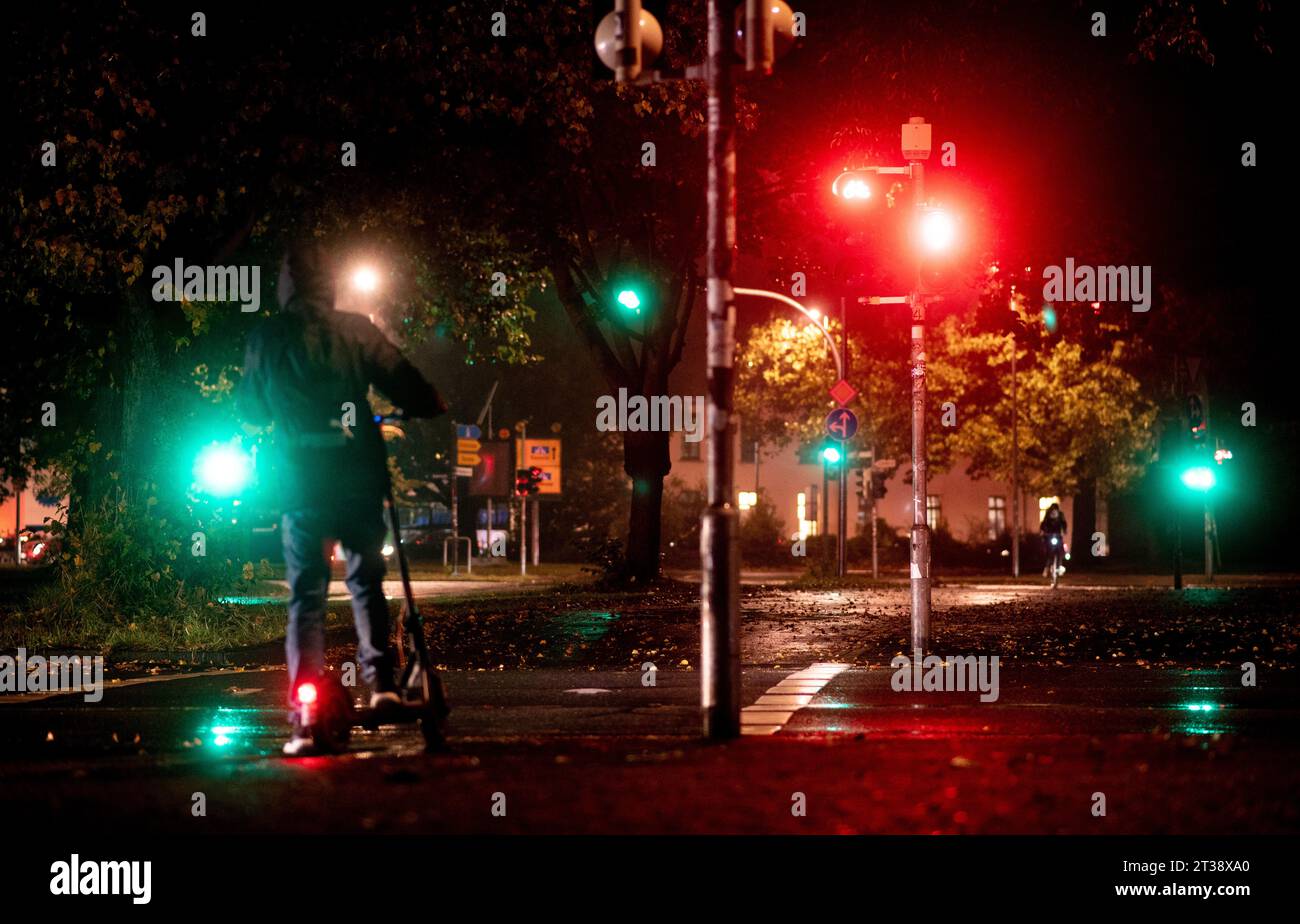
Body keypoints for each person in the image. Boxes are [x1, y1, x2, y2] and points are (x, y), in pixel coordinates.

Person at [237, 238, 447, 755]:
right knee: (366, 579)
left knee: (306, 594)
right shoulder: (355, 330)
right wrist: (426, 403)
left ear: (285, 285)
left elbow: (249, 409)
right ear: (329, 284)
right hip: (357, 476)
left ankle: (306, 708)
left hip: (301, 481)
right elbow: (406, 384)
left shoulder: (268, 337)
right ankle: (381, 687)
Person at [1040, 502, 1068, 578]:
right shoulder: (1047, 515)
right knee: (1048, 552)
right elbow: (1043, 523)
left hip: (1058, 535)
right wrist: (1043, 531)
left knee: (1060, 551)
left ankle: (1059, 567)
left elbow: (1064, 523)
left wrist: (1065, 530)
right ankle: (1046, 567)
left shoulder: (1061, 515)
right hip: (1049, 535)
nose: (1054, 511)